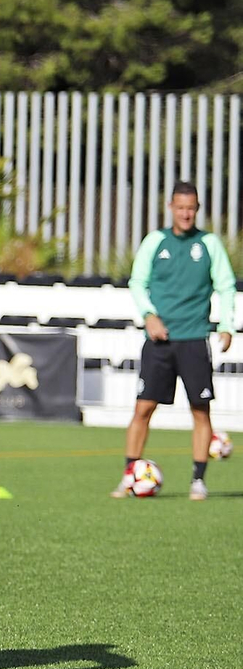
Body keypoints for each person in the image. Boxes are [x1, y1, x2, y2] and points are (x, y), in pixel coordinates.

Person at [114, 182, 236, 501]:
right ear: (171, 207)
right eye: (180, 207)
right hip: (159, 340)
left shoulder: (209, 244)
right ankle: (130, 477)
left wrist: (226, 325)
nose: (185, 213)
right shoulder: (155, 241)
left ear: (197, 209)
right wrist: (148, 315)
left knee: (200, 410)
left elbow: (225, 286)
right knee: (143, 407)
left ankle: (198, 480)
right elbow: (138, 282)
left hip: (194, 338)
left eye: (191, 208)